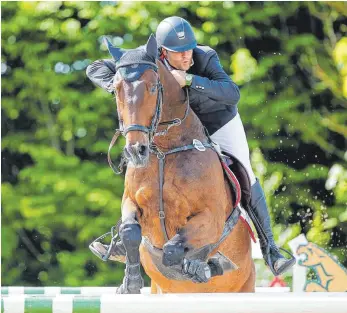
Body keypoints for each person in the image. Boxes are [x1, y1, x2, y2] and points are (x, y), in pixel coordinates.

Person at [86, 16, 296, 276]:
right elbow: (95, 67)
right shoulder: (148, 59)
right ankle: (124, 238)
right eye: (179, 53)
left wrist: (189, 80)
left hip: (218, 122)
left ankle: (271, 249)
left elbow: (232, 93)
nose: (187, 56)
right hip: (177, 129)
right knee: (140, 170)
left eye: (188, 50)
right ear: (163, 52)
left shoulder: (205, 57)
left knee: (245, 172)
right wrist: (119, 85)